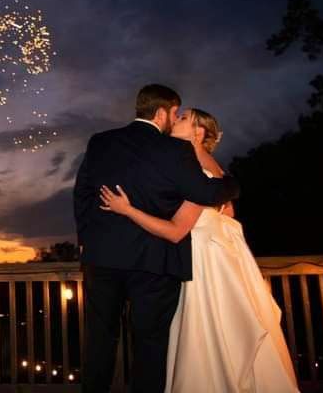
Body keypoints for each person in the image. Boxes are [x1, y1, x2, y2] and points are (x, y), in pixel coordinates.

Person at [99, 108, 299, 392]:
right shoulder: (214, 169)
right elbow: (228, 213)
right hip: (220, 260)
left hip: (203, 266)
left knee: (205, 336)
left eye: (182, 118)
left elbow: (175, 230)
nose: (175, 119)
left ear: (198, 132)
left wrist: (127, 210)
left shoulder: (198, 173)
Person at [73, 84, 240, 393]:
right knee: (149, 344)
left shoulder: (100, 142)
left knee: (99, 338)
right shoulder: (174, 150)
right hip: (154, 259)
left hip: (102, 258)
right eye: (175, 112)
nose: (175, 118)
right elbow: (207, 193)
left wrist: (85, 238)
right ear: (162, 112)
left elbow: (82, 191)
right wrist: (233, 183)